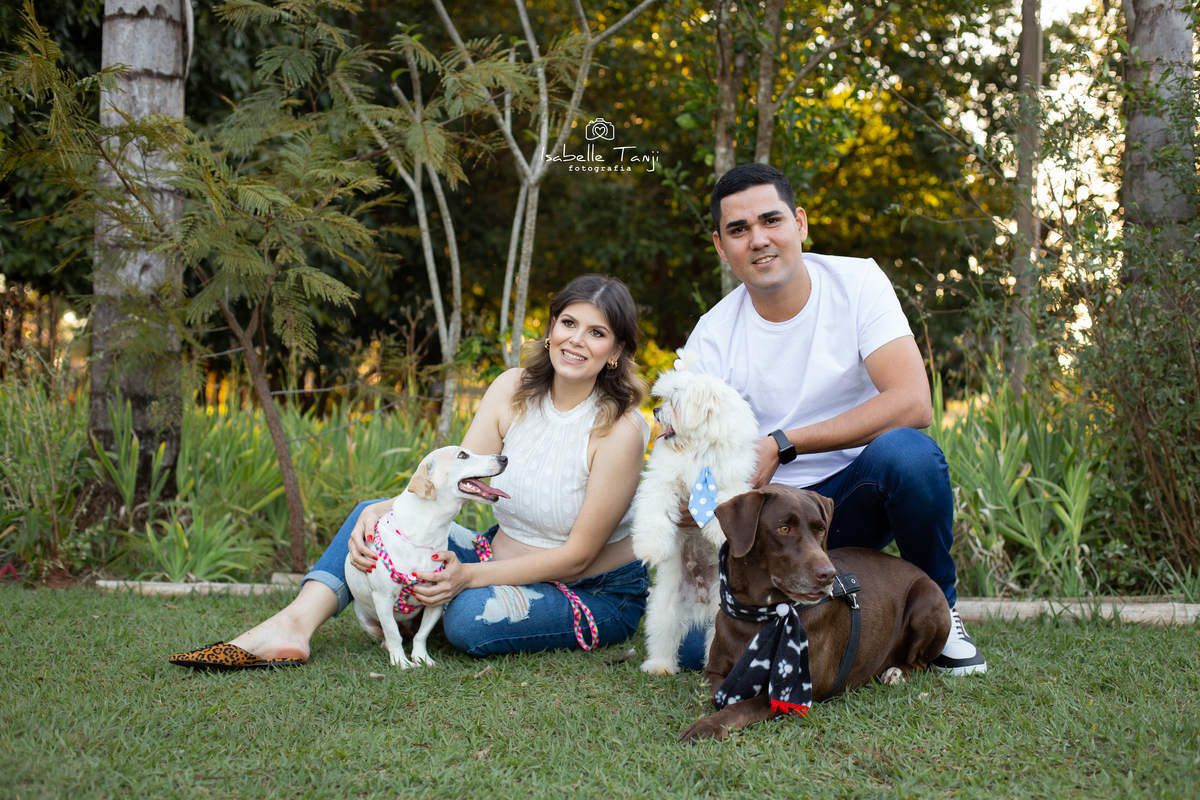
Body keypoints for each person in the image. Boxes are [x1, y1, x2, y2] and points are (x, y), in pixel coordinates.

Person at [170, 274, 651, 668]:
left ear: (616, 350)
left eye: (597, 333)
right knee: (373, 514)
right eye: (569, 322)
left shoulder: (621, 430)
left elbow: (578, 557)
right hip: (493, 554)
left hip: (589, 590)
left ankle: (418, 609)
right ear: (551, 328)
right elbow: (454, 478)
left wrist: (467, 576)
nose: (576, 340)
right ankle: (292, 625)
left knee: (467, 620)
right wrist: (382, 511)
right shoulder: (512, 389)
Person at [676, 163, 986, 675]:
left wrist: (783, 443)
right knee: (694, 652)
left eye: (771, 220)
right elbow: (687, 456)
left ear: (799, 223)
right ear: (721, 247)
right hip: (766, 527)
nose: (758, 239)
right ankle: (787, 606)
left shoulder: (857, 282)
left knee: (909, 455)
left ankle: (942, 613)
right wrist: (697, 500)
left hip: (849, 500)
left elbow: (913, 401)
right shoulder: (712, 334)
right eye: (739, 229)